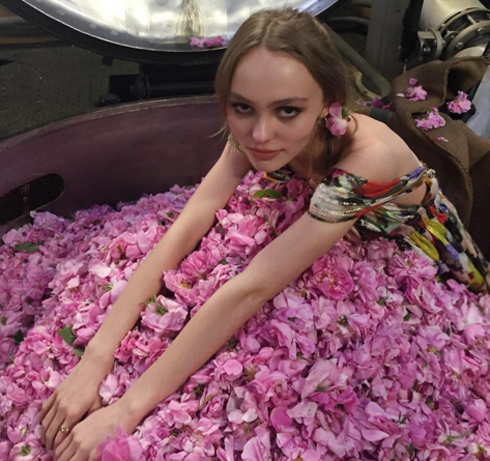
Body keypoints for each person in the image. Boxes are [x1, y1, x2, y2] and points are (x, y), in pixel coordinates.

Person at [38, 8, 490, 461]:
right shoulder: (261, 131)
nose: (260, 133)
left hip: (427, 263)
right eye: (242, 107)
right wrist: (96, 357)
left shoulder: (366, 159)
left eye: (288, 110)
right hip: (325, 228)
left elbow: (253, 287)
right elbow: (191, 221)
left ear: (330, 102)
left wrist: (127, 409)